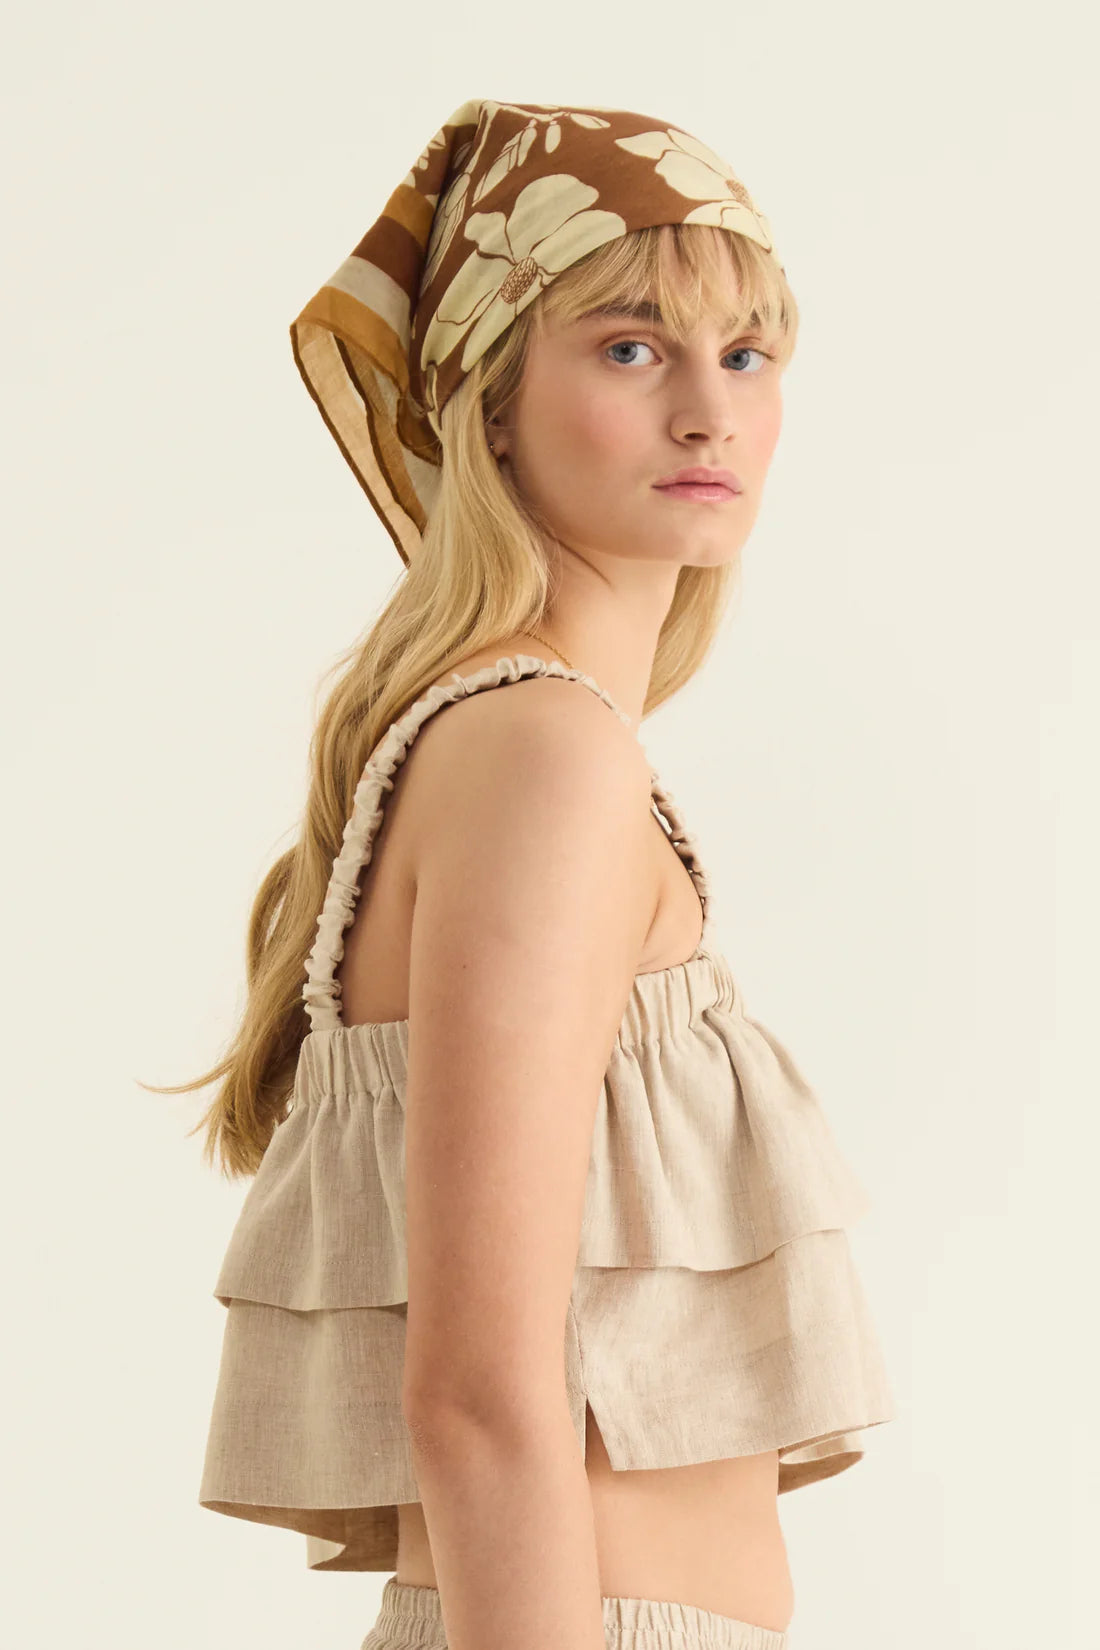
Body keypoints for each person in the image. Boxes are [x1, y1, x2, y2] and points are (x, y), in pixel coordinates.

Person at [169, 98, 896, 1650]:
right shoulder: (547, 755)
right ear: (488, 403)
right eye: (631, 348)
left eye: (746, 354)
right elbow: (480, 1392)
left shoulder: (515, 741)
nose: (707, 412)